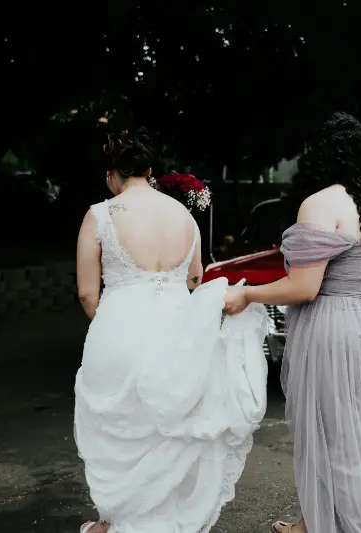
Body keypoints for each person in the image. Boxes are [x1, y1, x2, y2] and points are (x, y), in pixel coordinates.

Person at [73, 128, 269, 533]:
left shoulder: (100, 215)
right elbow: (195, 278)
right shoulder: (185, 217)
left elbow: (87, 295)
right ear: (149, 169)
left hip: (118, 332)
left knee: (119, 432)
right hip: (180, 334)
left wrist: (114, 321)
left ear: (113, 174)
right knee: (167, 434)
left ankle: (119, 519)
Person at [224, 112, 361, 533]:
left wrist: (248, 293)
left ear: (319, 157)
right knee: (353, 432)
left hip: (333, 330)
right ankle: (315, 523)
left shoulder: (320, 202)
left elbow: (304, 287)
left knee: (338, 441)